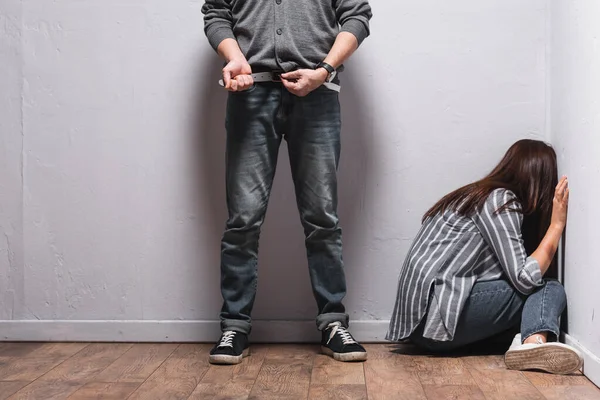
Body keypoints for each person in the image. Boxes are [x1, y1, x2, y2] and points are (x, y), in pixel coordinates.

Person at [201, 0, 373, 365]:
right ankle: (234, 324)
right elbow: (216, 14)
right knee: (243, 220)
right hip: (249, 94)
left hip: (318, 93)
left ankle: (332, 322)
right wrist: (235, 57)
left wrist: (325, 70)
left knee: (322, 217)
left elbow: (357, 16)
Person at [387, 139, 584, 375]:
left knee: (529, 303)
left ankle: (523, 342)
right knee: (548, 288)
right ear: (539, 181)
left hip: (422, 328)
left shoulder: (478, 195)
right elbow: (524, 279)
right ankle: (533, 345)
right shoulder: (500, 201)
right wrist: (556, 225)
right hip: (437, 325)